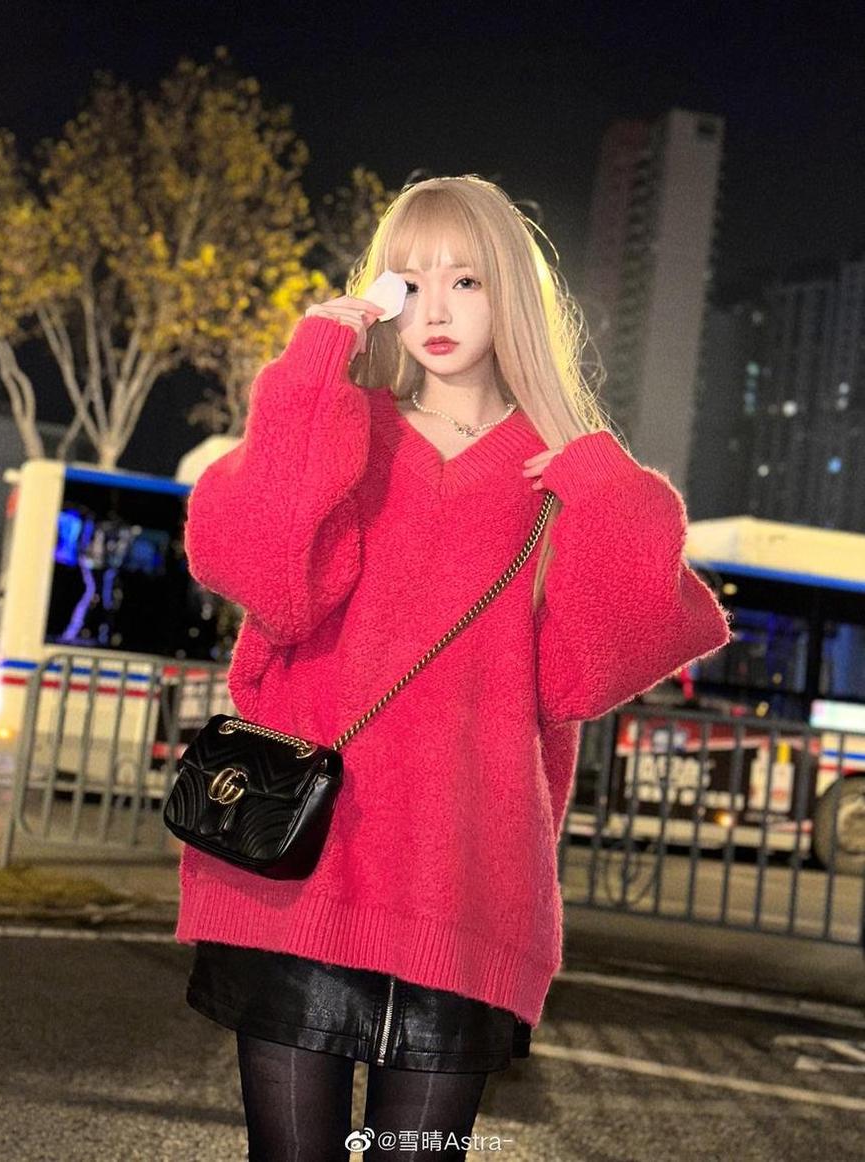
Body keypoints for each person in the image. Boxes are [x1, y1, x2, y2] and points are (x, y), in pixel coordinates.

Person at [175, 174, 732, 1160]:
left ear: (508, 291)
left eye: (465, 280)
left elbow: (597, 666)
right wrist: (311, 375)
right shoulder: (346, 429)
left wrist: (605, 484)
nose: (434, 309)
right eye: (408, 281)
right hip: (301, 870)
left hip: (464, 889)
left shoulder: (554, 472)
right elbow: (267, 581)